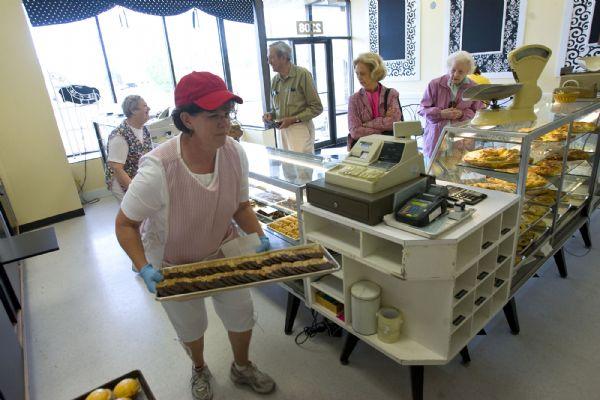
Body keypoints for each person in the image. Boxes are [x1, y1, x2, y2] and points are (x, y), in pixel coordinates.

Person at [115, 71, 276, 400]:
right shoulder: (158, 168)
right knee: (190, 326)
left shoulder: (234, 153)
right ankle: (199, 368)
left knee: (240, 312)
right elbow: (124, 224)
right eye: (213, 116)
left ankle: (242, 367)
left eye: (227, 115)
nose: (224, 124)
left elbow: (240, 206)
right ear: (187, 119)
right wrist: (144, 266)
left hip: (221, 249)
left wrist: (258, 234)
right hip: (174, 263)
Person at [418, 51, 484, 160]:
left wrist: (462, 114)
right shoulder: (435, 84)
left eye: (461, 72)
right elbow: (422, 109)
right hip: (436, 139)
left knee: (458, 172)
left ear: (468, 71)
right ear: (449, 67)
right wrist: (440, 113)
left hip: (462, 140)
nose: (455, 74)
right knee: (434, 173)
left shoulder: (474, 88)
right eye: (453, 70)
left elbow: (479, 114)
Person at [262, 41, 323, 154]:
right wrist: (270, 115)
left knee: (303, 169)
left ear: (284, 57)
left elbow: (317, 107)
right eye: (268, 58)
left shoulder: (302, 75)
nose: (268, 62)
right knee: (287, 168)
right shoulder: (275, 81)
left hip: (300, 129)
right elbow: (276, 110)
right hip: (282, 131)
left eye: (272, 58)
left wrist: (294, 119)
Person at [347, 52, 403, 150]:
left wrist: (366, 124)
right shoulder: (354, 99)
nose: (359, 77)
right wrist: (381, 130)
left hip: (389, 148)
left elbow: (394, 123)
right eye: (357, 74)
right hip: (364, 150)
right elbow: (355, 131)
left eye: (363, 73)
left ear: (375, 73)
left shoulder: (391, 94)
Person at [105, 95, 153, 202]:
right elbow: (117, 168)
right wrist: (134, 191)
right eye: (144, 106)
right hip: (121, 181)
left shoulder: (144, 129)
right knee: (133, 212)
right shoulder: (119, 136)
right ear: (133, 110)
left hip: (137, 177)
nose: (149, 108)